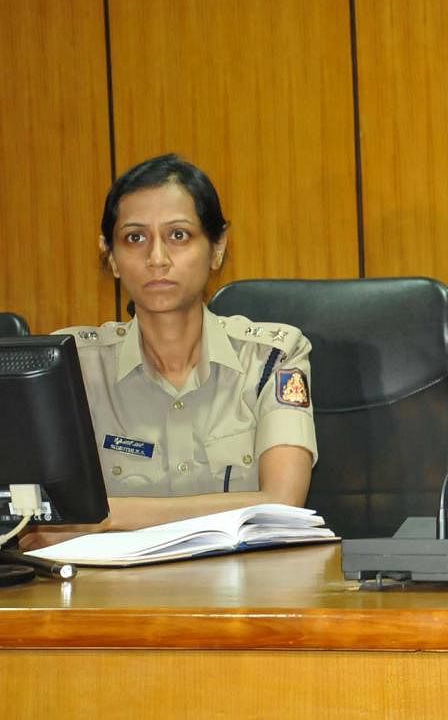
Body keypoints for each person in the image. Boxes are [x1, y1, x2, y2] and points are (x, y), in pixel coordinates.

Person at [19, 154, 316, 548]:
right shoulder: (68, 366)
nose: (157, 259)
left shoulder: (271, 357)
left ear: (217, 248)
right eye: (135, 238)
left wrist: (106, 517)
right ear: (110, 255)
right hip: (110, 603)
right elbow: (33, 527)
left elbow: (282, 505)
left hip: (245, 599)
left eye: (178, 235)